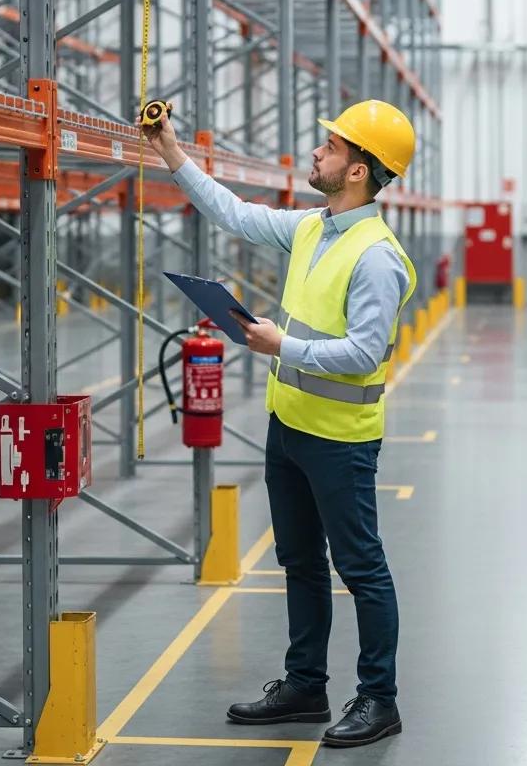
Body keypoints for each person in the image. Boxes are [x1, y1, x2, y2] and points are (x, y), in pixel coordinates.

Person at [142, 99, 417, 749]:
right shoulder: (314, 228)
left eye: (331, 146)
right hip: (289, 425)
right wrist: (171, 152)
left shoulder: (377, 256)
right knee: (298, 559)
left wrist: (277, 346)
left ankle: (379, 698)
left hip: (341, 437)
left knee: (362, 567)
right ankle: (305, 685)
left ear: (358, 171)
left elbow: (362, 352)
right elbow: (237, 214)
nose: (317, 151)